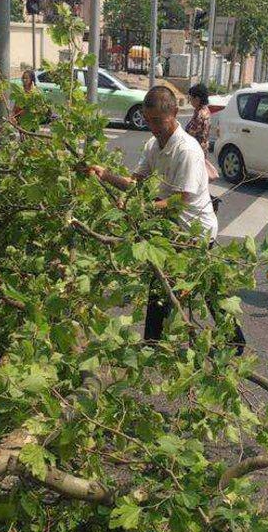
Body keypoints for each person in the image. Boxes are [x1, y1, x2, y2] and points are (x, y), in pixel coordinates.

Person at [86, 85, 245, 351]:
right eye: (148, 121)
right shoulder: (152, 145)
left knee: (206, 289)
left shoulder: (187, 150)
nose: (152, 126)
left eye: (157, 121)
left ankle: (235, 341)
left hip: (195, 234)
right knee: (160, 286)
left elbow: (179, 200)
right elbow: (136, 183)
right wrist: (105, 175)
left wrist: (142, 209)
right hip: (171, 231)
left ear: (173, 114)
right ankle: (153, 342)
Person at [186, 83, 212, 155]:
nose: (190, 100)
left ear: (197, 99)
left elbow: (191, 134)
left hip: (195, 150)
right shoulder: (206, 110)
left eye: (191, 98)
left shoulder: (200, 115)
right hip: (202, 148)